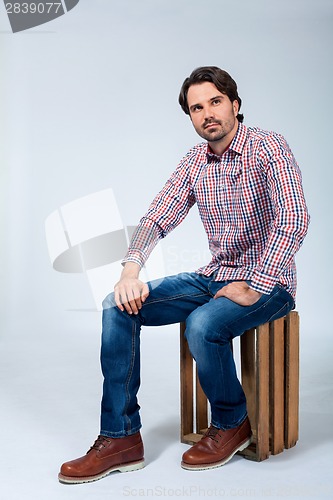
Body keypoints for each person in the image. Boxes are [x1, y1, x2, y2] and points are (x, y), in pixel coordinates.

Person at [58, 66, 310, 483]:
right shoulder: (195, 161)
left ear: (235, 105)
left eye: (215, 102)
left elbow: (293, 218)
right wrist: (130, 270)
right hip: (214, 276)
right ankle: (121, 437)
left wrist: (257, 284)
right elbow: (158, 216)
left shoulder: (268, 147)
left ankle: (232, 421)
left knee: (202, 323)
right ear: (190, 116)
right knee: (117, 306)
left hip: (272, 281)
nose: (207, 113)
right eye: (197, 107)